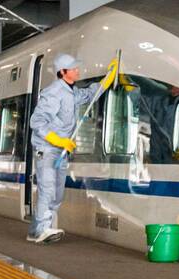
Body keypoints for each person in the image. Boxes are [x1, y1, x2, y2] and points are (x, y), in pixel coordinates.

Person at [26, 53, 117, 243]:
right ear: (63, 72)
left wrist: (108, 78)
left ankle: (35, 230)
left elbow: (91, 95)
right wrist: (58, 140)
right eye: (74, 68)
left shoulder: (72, 92)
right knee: (48, 189)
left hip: (61, 151)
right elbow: (37, 121)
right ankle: (43, 229)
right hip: (47, 149)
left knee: (57, 194)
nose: (78, 71)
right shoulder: (53, 93)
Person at [139, 84, 179, 164]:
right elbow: (142, 102)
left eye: (176, 83)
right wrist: (132, 91)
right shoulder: (160, 101)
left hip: (178, 163)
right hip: (157, 159)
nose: (172, 86)